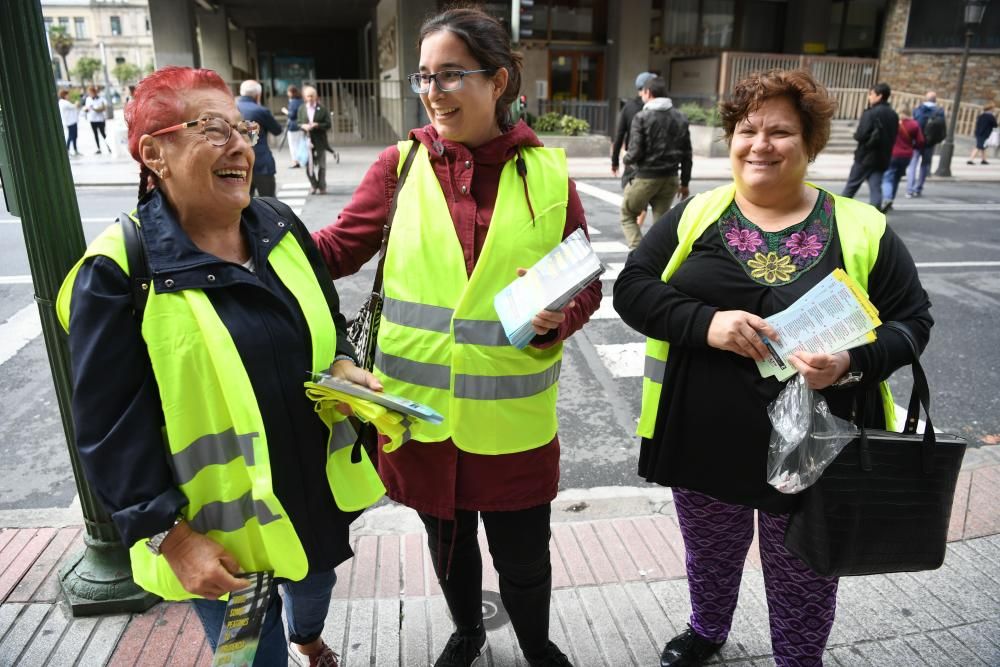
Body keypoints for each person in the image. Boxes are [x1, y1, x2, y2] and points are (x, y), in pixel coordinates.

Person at [56, 66, 388, 667]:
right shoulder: (118, 272)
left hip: (312, 499)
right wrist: (173, 540)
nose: (239, 143)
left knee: (315, 591)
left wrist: (342, 363)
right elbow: (108, 431)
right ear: (155, 153)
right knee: (251, 659)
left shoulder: (281, 227)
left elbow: (328, 323)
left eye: (242, 129)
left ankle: (308, 637)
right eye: (212, 128)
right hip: (222, 540)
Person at [613, 69, 932, 667]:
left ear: (809, 145)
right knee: (709, 552)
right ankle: (707, 629)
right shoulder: (696, 214)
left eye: (780, 132)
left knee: (805, 570)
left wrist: (850, 363)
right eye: (747, 129)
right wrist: (707, 324)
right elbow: (632, 289)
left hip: (816, 448)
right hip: (705, 437)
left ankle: (798, 657)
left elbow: (913, 322)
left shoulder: (860, 228)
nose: (759, 144)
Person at [312, 7, 601, 667]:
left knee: (525, 559)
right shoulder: (400, 165)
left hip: (513, 428)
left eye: (450, 75)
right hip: (419, 419)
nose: (433, 91)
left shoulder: (549, 176)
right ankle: (468, 632)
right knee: (449, 550)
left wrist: (560, 317)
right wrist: (251, 238)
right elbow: (335, 248)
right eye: (424, 77)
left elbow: (586, 282)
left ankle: (535, 643)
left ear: (498, 81)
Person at [619, 76, 692, 250]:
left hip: (646, 177)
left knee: (627, 215)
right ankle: (661, 261)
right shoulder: (681, 117)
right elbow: (687, 154)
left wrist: (625, 157)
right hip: (671, 178)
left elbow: (635, 152)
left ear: (648, 93)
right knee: (662, 226)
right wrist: (685, 183)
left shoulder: (642, 117)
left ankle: (638, 253)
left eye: (643, 92)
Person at [841, 82, 898, 209]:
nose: (869, 97)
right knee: (875, 188)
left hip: (865, 156)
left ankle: (836, 212)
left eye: (871, 94)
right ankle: (876, 214)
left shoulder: (871, 113)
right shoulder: (893, 115)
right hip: (883, 157)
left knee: (851, 186)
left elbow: (861, 135)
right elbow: (894, 136)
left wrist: (855, 134)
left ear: (879, 96)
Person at [236, 79, 283, 197]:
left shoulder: (230, 108)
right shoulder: (260, 110)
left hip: (236, 163)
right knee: (269, 203)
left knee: (242, 206)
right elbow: (277, 130)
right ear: (258, 95)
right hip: (260, 161)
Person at [612, 71, 656, 185]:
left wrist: (615, 161)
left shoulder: (629, 107)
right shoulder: (661, 108)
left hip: (633, 160)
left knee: (631, 200)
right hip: (655, 163)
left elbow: (620, 135)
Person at [880, 107, 924, 212]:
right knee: (896, 178)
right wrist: (913, 147)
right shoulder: (914, 124)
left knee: (887, 177)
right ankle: (891, 200)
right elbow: (921, 141)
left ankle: (887, 198)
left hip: (892, 153)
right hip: (907, 156)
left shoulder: (894, 123)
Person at [906, 90, 946, 197]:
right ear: (935, 99)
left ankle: (910, 188)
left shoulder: (918, 110)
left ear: (925, 98)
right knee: (924, 166)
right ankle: (918, 188)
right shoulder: (939, 111)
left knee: (913, 164)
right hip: (930, 142)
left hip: (916, 141)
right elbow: (942, 128)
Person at [298, 86, 332, 194]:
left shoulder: (322, 109)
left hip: (320, 141)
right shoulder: (302, 109)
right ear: (305, 97)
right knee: (309, 165)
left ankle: (322, 186)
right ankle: (314, 184)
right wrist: (303, 126)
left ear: (316, 96)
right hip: (307, 141)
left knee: (322, 165)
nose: (310, 98)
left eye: (312, 96)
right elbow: (298, 123)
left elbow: (328, 124)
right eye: (308, 96)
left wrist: (318, 125)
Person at [83, 85, 111, 154]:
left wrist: (99, 108)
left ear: (94, 92)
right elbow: (87, 108)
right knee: (95, 134)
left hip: (100, 119)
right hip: (92, 119)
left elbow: (105, 106)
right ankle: (98, 148)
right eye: (89, 93)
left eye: (91, 92)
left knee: (103, 134)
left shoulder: (101, 98)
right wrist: (86, 109)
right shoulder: (88, 99)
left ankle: (109, 147)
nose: (90, 94)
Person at [282, 85, 305, 168]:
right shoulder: (302, 101)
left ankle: (296, 162)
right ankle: (303, 160)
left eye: (288, 92)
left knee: (293, 145)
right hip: (302, 125)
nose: (287, 94)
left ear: (291, 92)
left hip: (293, 126)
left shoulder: (293, 102)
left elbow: (291, 115)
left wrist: (285, 111)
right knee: (300, 144)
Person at [58, 89, 80, 156]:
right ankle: (68, 149)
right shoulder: (64, 102)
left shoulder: (63, 102)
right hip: (70, 122)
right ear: (64, 95)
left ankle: (74, 149)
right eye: (67, 94)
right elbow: (74, 106)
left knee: (74, 136)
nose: (69, 96)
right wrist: (76, 103)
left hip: (71, 121)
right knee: (71, 136)